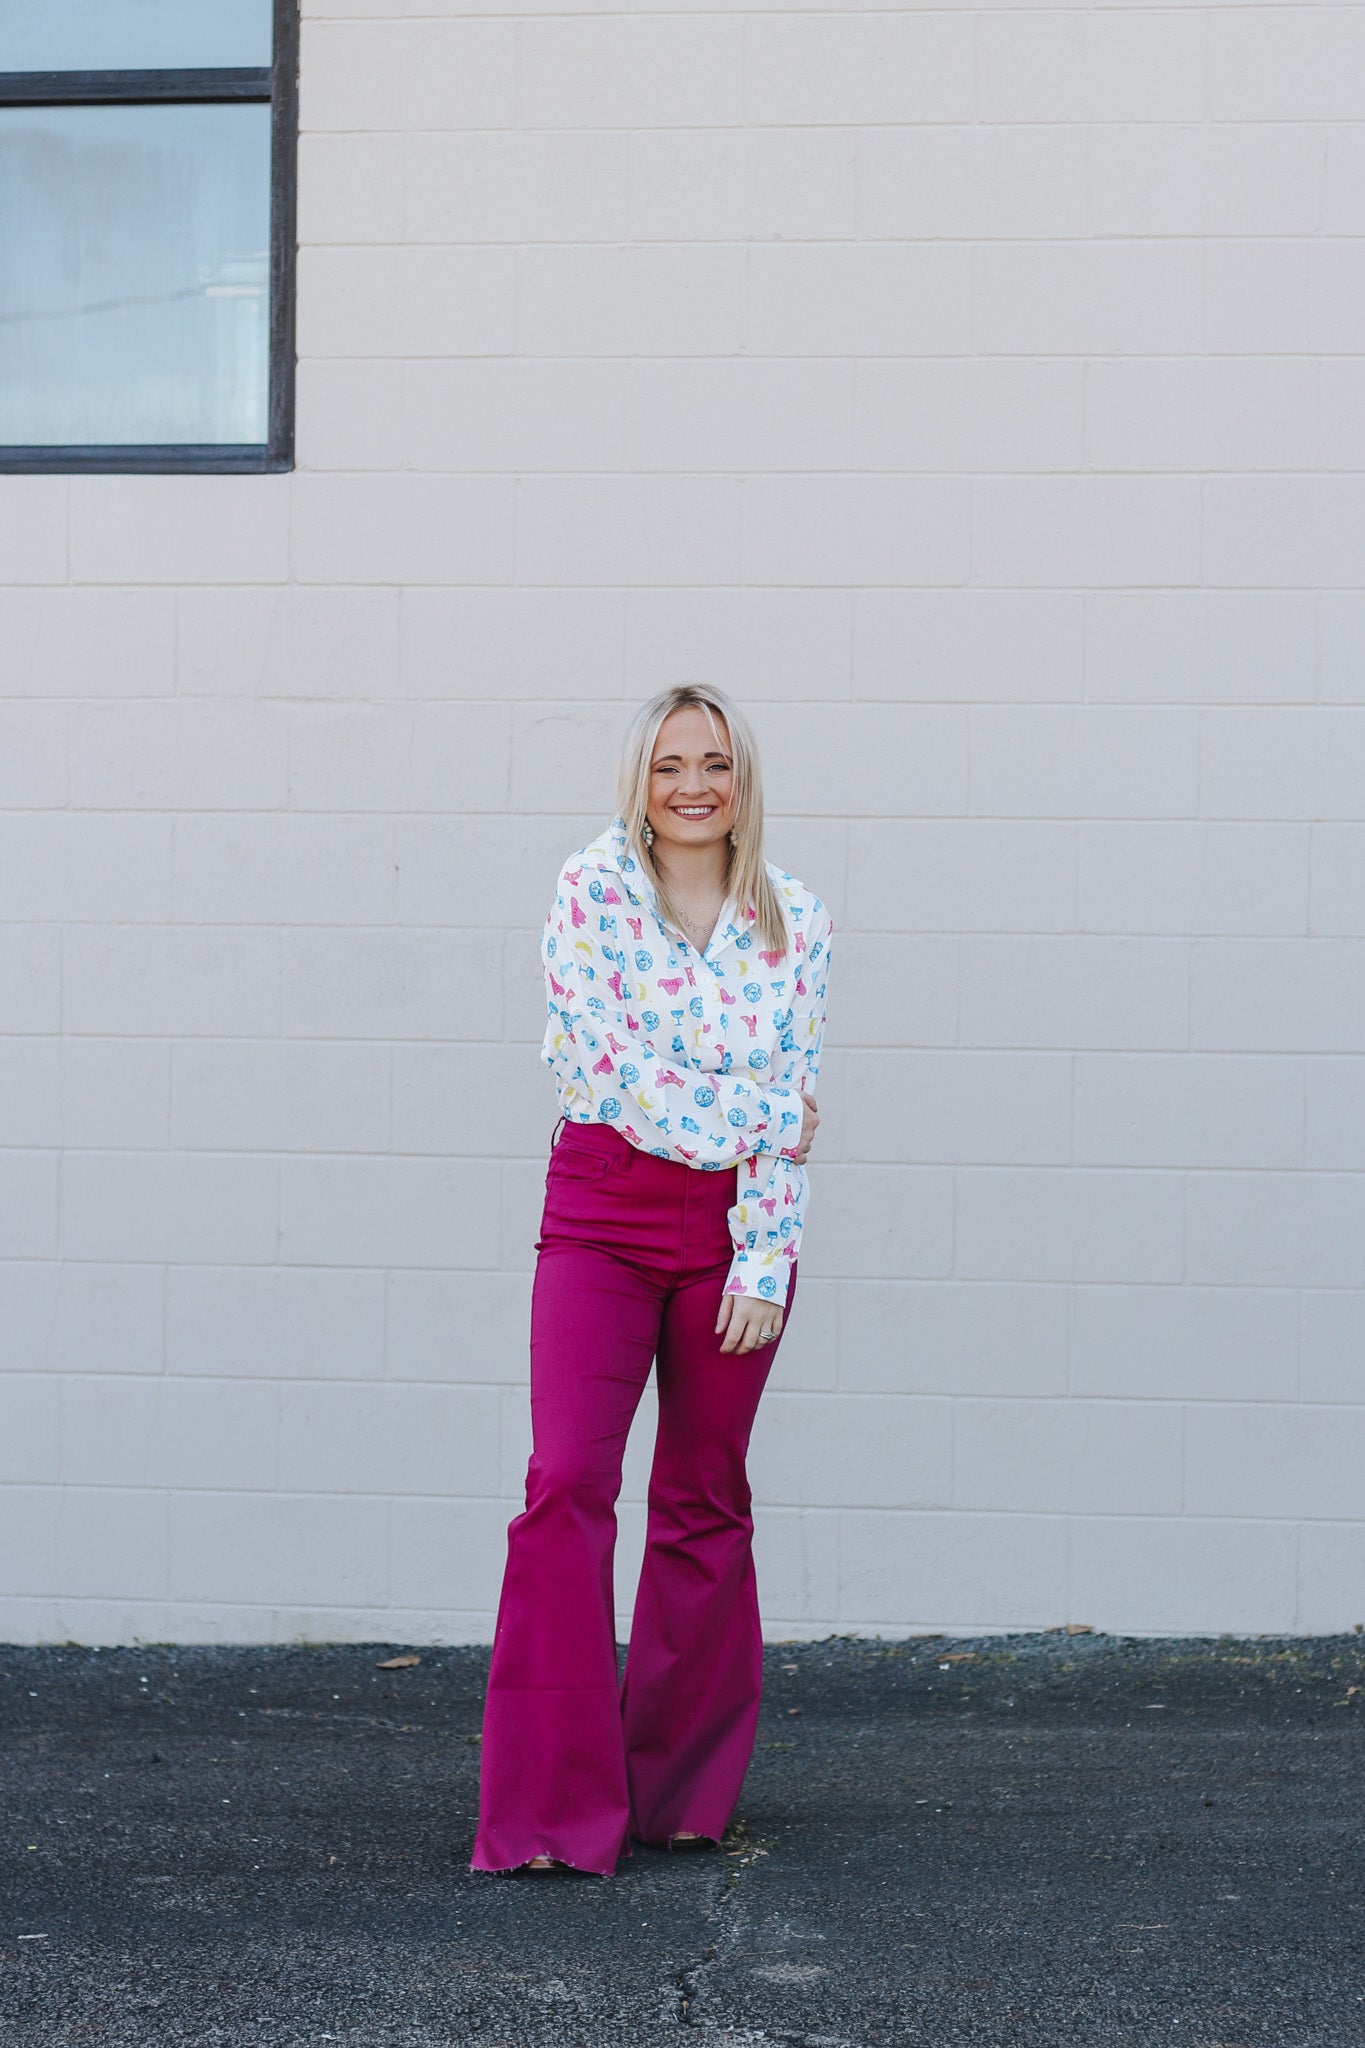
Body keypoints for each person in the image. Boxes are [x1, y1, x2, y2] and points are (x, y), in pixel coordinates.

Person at [469, 681, 835, 1877]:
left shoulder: (799, 921)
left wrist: (767, 1250)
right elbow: (618, 1076)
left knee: (703, 1493)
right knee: (567, 1480)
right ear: (640, 778)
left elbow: (784, 1091)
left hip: (736, 1230)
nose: (693, 785)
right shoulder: (591, 894)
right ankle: (547, 1813)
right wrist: (774, 1112)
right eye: (671, 763)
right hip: (603, 1213)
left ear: (743, 779)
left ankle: (678, 1793)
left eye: (715, 762)